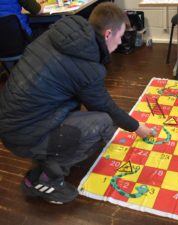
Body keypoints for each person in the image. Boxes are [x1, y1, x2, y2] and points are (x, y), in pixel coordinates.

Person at [0, 2, 154, 204]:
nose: (119, 44)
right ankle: (46, 180)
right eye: (119, 37)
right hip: (23, 134)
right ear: (108, 34)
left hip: (13, 123)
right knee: (103, 123)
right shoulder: (85, 67)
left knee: (93, 121)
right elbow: (104, 107)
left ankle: (43, 158)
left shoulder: (59, 35)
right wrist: (137, 127)